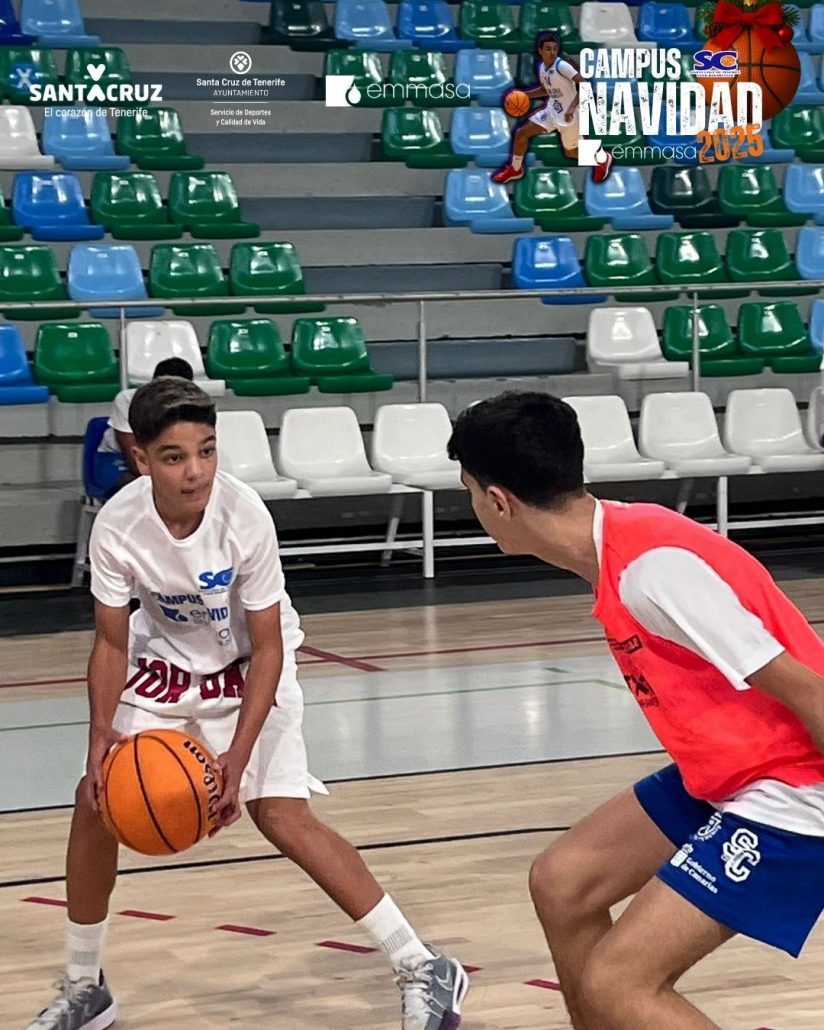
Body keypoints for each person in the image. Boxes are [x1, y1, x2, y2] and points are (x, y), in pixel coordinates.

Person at [27, 377, 468, 1030]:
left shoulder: (244, 516)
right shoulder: (118, 525)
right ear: (142, 460)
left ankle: (421, 963)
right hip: (168, 661)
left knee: (280, 815)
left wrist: (235, 757)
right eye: (175, 457)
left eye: (207, 451)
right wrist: (98, 737)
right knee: (93, 801)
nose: (196, 470)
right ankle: (85, 985)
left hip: (247, 664)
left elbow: (266, 649)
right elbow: (112, 643)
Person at [447, 390, 824, 1030]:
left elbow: (810, 688)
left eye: (470, 492)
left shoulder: (653, 573)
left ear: (498, 500)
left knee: (621, 984)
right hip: (731, 772)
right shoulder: (618, 541)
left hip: (793, 787)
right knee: (563, 883)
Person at [493, 32, 612, 185]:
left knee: (570, 152)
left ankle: (602, 158)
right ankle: (515, 168)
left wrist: (571, 108)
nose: (552, 52)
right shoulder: (541, 67)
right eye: (548, 49)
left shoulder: (562, 66)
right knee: (521, 133)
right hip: (552, 110)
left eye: (555, 49)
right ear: (540, 51)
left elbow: (585, 85)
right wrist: (523, 94)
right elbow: (545, 90)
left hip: (570, 115)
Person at [94, 358, 195, 498]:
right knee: (140, 490)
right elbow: (133, 459)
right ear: (152, 384)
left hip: (163, 459)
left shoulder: (191, 406)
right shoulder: (127, 400)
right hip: (116, 459)